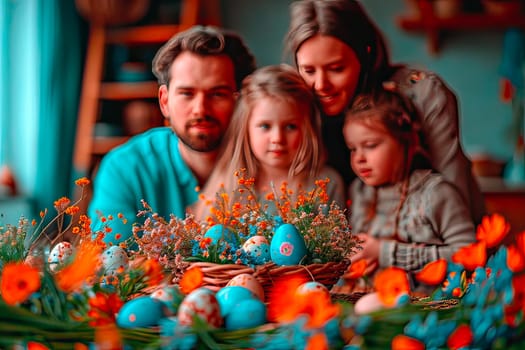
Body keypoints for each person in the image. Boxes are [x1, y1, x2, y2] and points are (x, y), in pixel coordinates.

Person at [284, 0, 485, 224]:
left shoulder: (422, 93)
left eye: (336, 69)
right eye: (308, 70)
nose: (321, 84)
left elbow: (457, 206)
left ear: (365, 54)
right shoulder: (293, 109)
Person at [88, 26, 256, 244]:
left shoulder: (271, 160)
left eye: (217, 94)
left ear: (241, 101)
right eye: (187, 93)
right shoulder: (124, 168)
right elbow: (112, 270)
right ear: (164, 101)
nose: (200, 109)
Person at [343, 88, 476, 292]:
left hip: (426, 309)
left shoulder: (435, 193)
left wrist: (385, 253)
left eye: (370, 145)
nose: (359, 158)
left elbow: (470, 255)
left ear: (406, 142)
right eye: (353, 148)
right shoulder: (359, 192)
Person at [192, 64, 345, 220]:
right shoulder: (229, 183)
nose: (277, 138)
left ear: (308, 129)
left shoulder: (324, 184)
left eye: (290, 126)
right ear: (246, 129)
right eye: (265, 126)